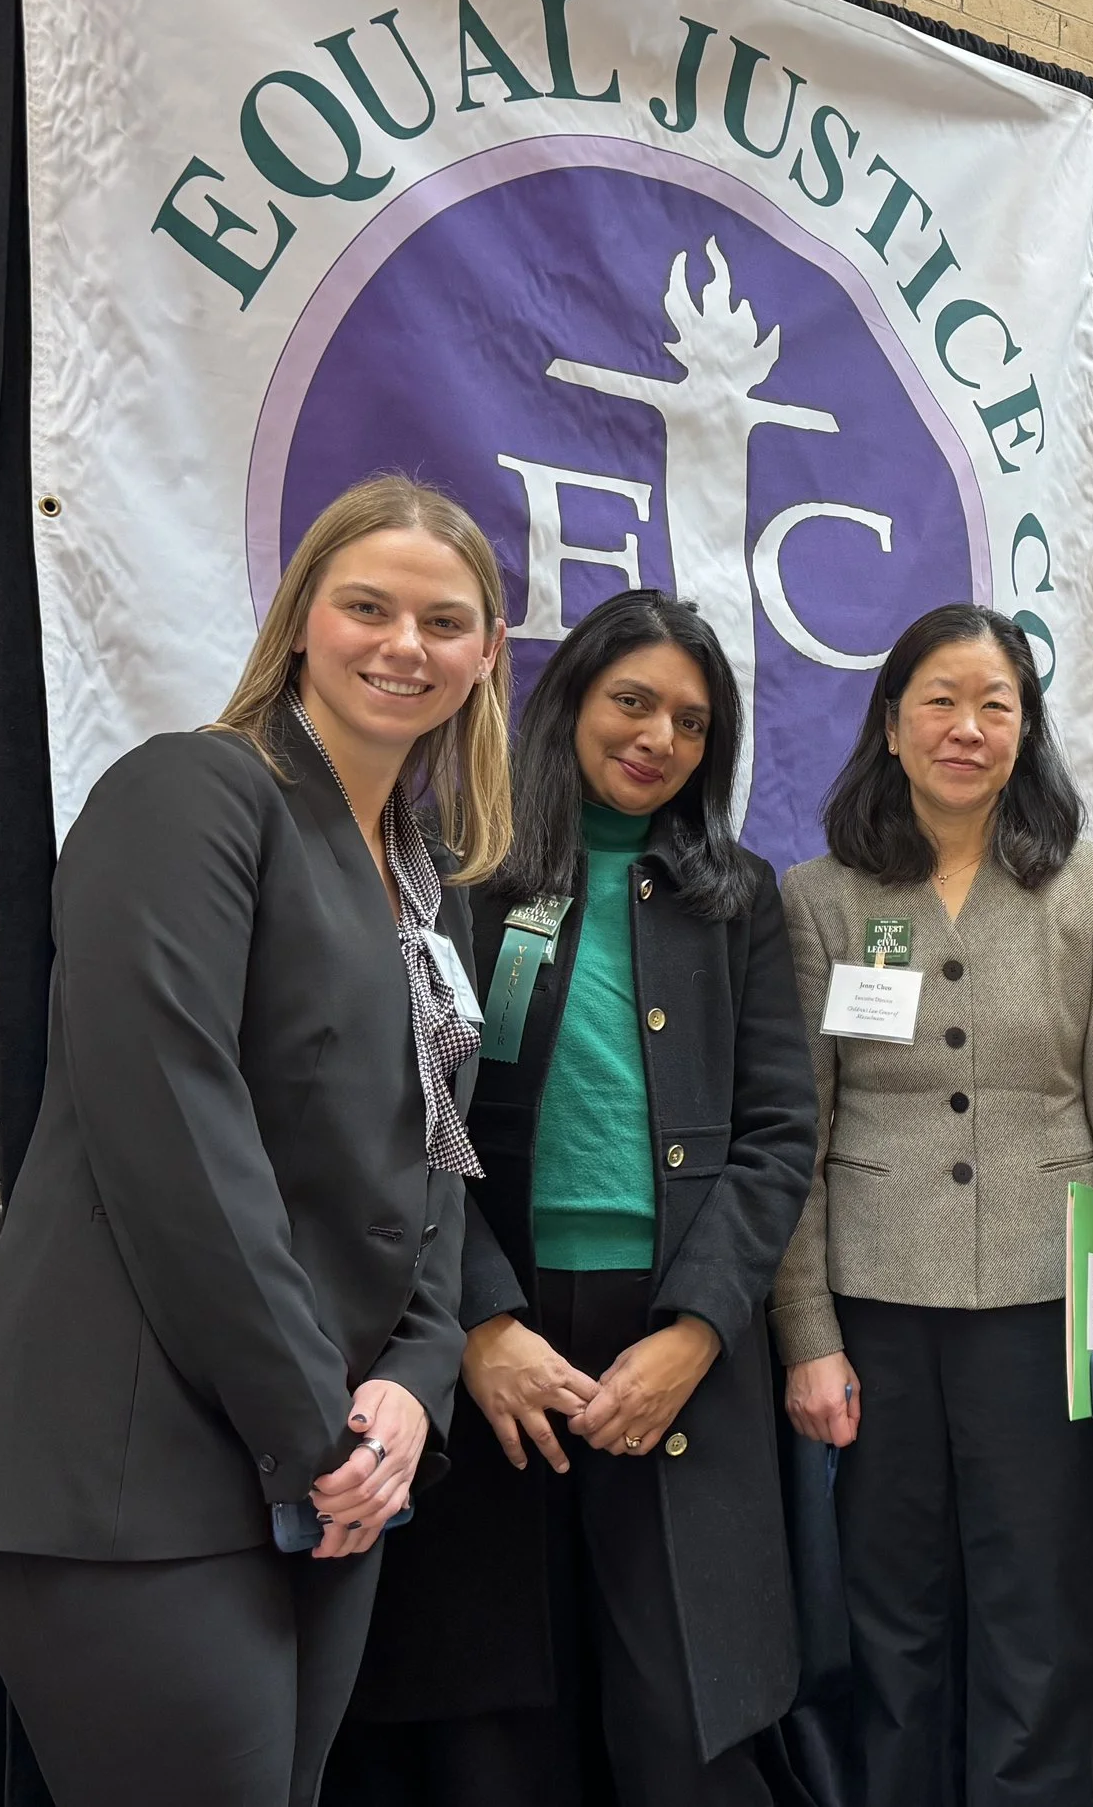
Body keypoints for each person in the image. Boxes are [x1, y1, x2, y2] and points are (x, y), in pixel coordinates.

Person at [0, 474, 515, 1807]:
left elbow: (437, 1153)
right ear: (300, 618)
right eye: (368, 607)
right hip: (133, 1470)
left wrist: (416, 1380)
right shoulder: (191, 793)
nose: (404, 644)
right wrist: (320, 1431)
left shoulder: (428, 879)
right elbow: (175, 1133)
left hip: (329, 1464)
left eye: (443, 621)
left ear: (486, 656)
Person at [335, 590, 817, 1807]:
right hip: (493, 1333)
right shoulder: (456, 873)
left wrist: (697, 1332)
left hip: (671, 1335)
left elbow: (778, 1138)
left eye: (693, 723)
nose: (659, 738)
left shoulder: (736, 897)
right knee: (497, 1719)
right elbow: (399, 1116)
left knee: (682, 1718)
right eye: (633, 702)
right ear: (569, 702)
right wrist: (480, 1323)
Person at [773, 602, 1093, 1807]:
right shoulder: (823, 897)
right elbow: (800, 1131)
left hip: (1045, 1307)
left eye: (995, 704)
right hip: (877, 1306)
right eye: (939, 702)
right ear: (892, 724)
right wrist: (806, 1335)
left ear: (1027, 728)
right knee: (891, 1608)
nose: (966, 728)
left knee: (1037, 1605)